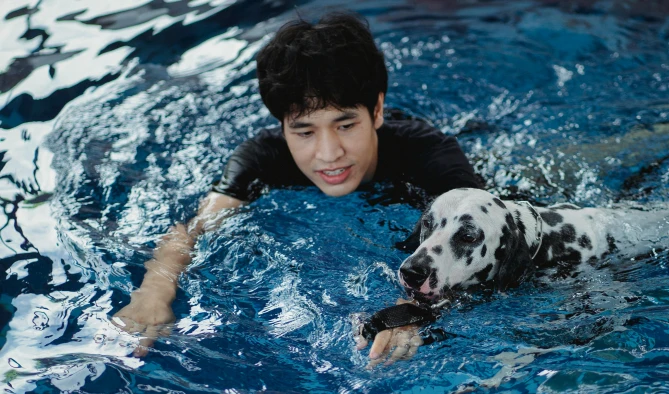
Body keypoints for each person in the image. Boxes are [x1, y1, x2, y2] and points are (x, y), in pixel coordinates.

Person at [112, 11, 484, 362]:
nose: (328, 153)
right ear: (282, 127)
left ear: (377, 111)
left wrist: (415, 309)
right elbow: (195, 229)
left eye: (346, 125)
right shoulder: (262, 158)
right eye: (304, 131)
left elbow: (480, 236)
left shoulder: (428, 153)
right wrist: (155, 289)